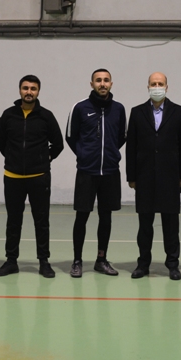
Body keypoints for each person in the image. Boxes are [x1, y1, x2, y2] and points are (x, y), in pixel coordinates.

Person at [0, 75, 64, 277]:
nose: (29, 92)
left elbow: (58, 144)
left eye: (33, 88)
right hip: (13, 176)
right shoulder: (9, 115)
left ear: (38, 91)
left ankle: (44, 261)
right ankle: (11, 261)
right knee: (13, 221)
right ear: (20, 90)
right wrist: (12, 158)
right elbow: (1, 141)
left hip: (39, 177)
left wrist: (44, 158)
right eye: (25, 88)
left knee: (41, 221)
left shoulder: (46, 116)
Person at [126, 72, 181, 280]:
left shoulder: (179, 112)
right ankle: (143, 264)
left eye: (160, 83)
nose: (157, 87)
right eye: (153, 84)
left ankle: (173, 264)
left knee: (171, 225)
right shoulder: (136, 112)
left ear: (167, 87)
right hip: (144, 177)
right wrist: (131, 176)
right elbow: (131, 146)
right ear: (148, 87)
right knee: (145, 226)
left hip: (170, 177)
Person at [66, 69, 127, 277]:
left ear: (111, 84)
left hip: (110, 172)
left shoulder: (119, 109)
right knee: (81, 216)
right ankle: (77, 261)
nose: (102, 84)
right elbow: (70, 136)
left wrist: (109, 154)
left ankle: (101, 259)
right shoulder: (80, 108)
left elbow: (121, 136)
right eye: (98, 80)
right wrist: (85, 155)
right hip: (87, 172)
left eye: (106, 80)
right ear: (91, 84)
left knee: (106, 217)